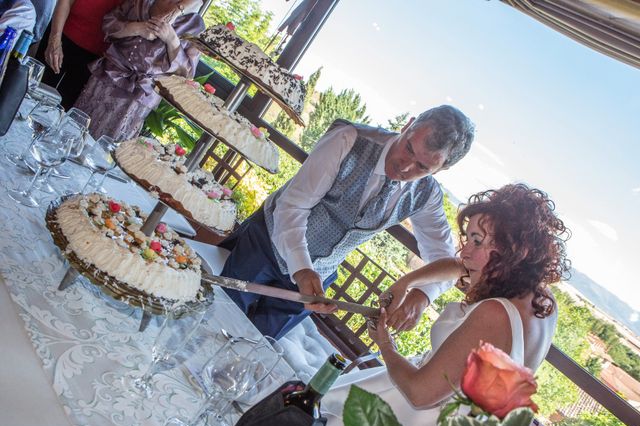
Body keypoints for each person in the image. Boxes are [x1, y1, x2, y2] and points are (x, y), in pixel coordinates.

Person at [319, 184, 571, 426]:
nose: (465, 250)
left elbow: (419, 393)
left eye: (477, 241)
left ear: (512, 252)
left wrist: (384, 343)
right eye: (468, 238)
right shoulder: (542, 302)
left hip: (417, 425)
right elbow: (458, 266)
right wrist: (408, 283)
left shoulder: (495, 314)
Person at [219, 106, 476, 339]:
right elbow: (293, 205)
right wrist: (301, 267)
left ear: (441, 170)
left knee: (253, 344)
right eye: (408, 147)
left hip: (317, 280)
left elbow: (446, 259)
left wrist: (423, 295)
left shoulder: (427, 195)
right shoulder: (348, 139)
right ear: (407, 126)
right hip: (265, 245)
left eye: (422, 166)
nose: (406, 166)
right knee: (216, 313)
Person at [73, 0, 204, 141]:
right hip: (107, 77)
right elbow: (108, 24)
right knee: (74, 130)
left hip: (138, 96)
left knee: (106, 146)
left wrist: (171, 40)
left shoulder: (196, 25)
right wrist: (136, 28)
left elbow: (186, 73)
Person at [36, 0, 124, 109]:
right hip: (61, 37)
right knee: (35, 91)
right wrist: (55, 38)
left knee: (62, 108)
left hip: (94, 59)